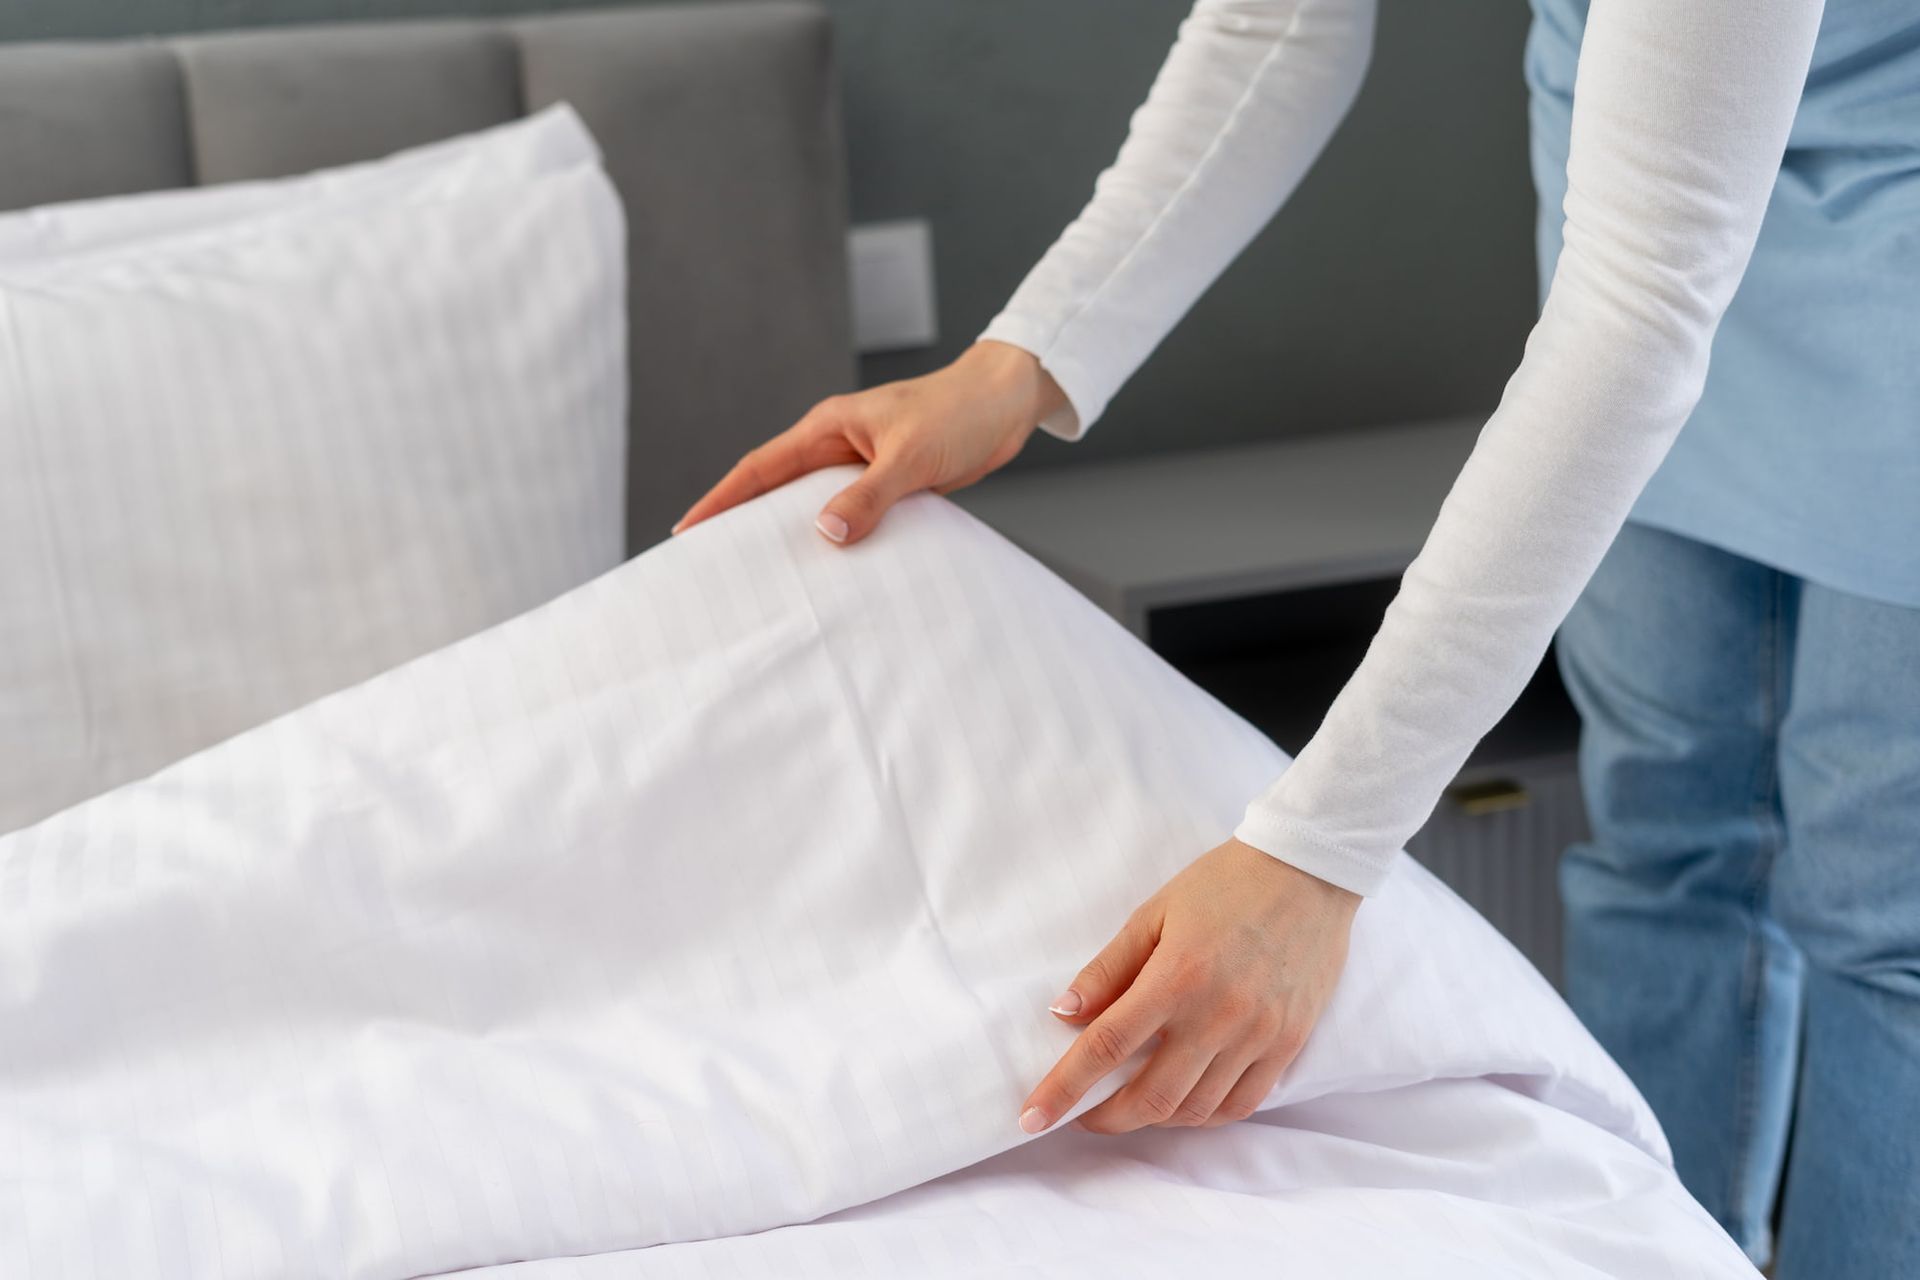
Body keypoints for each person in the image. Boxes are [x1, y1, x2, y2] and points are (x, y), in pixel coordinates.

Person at [676, 2, 1917, 1274]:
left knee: (1882, 916)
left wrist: (1318, 854)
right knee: (1664, 849)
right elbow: (1278, 27)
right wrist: (1018, 363)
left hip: (1876, 281)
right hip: (1651, 239)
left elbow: (1644, 308)